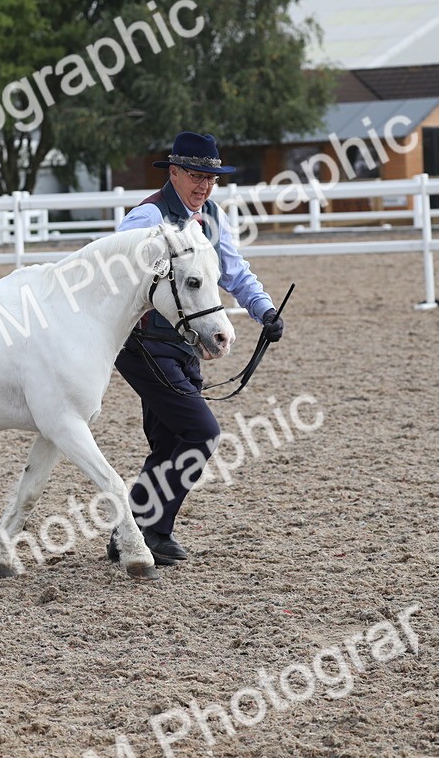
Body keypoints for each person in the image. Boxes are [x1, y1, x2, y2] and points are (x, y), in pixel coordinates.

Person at [110, 131, 285, 567]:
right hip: (145, 343)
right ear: (173, 173)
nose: (204, 185)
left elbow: (232, 269)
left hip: (186, 343)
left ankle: (128, 534)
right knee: (202, 432)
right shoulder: (147, 217)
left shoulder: (213, 215)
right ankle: (153, 532)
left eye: (211, 177)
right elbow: (115, 269)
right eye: (196, 175)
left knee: (169, 439)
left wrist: (263, 310)